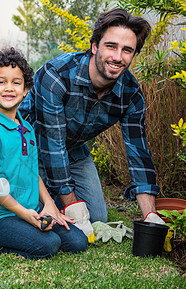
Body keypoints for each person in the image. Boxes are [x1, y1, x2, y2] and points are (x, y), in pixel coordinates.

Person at [19, 8, 165, 238]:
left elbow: (139, 154)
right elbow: (52, 146)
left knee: (97, 216)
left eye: (127, 50)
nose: (118, 57)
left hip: (74, 150)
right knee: (31, 211)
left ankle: (49, 194)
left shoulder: (131, 94)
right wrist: (71, 205)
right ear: (95, 46)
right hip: (28, 145)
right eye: (111, 46)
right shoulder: (57, 74)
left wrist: (150, 216)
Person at [0, 47, 88, 259]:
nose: (9, 88)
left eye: (16, 82)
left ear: (25, 90)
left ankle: (30, 228)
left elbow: (32, 171)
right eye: (1, 82)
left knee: (78, 241)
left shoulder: (26, 128)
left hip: (30, 211)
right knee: (49, 245)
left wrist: (50, 206)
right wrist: (23, 213)